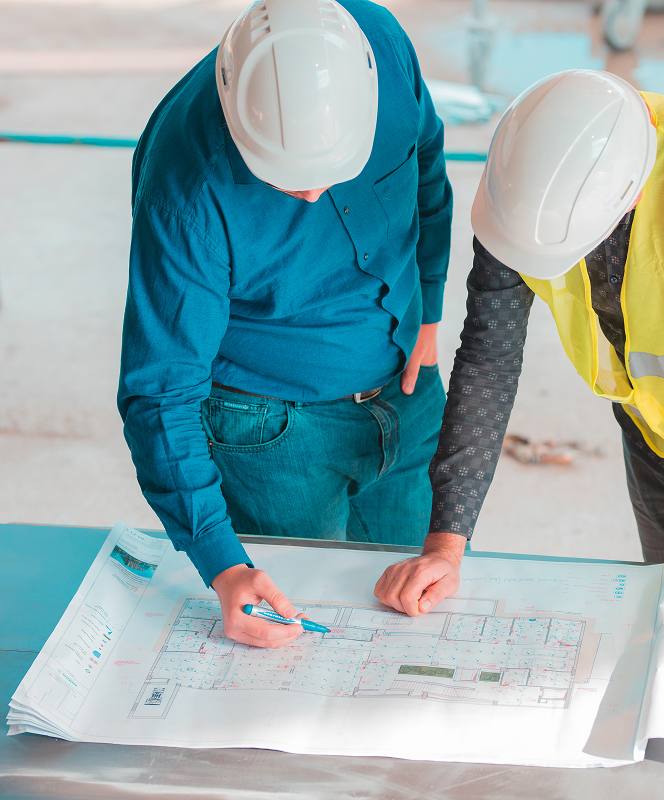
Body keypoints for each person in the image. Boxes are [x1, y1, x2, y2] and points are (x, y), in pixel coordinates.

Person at [118, 0, 452, 647]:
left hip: (410, 394)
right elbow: (161, 392)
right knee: (304, 646)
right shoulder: (185, 186)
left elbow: (428, 172)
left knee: (407, 620)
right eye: (283, 178)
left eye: (336, 168)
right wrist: (224, 564)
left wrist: (429, 313)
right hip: (273, 438)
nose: (311, 194)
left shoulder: (380, 44)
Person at [375, 69, 664, 616]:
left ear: (634, 191)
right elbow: (489, 359)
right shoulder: (523, 185)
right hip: (656, 447)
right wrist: (446, 547)